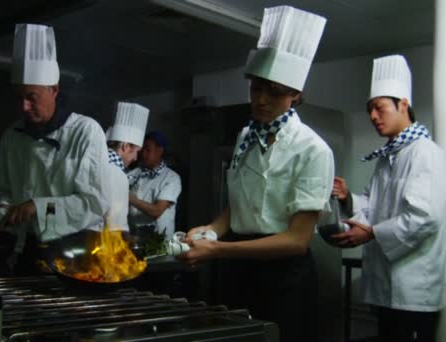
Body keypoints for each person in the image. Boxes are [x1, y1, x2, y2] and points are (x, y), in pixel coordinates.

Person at [179, 6, 333, 342]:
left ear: (296, 95)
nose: (261, 100)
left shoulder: (313, 149)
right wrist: (212, 231)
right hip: (238, 268)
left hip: (284, 278)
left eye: (274, 92)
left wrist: (218, 250)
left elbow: (296, 240)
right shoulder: (245, 136)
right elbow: (238, 206)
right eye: (256, 89)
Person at [332, 55, 446, 342]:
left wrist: (371, 233)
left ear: (403, 105)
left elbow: (425, 217)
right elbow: (372, 204)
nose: (372, 116)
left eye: (379, 108)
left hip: (413, 292)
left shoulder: (425, 153)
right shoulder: (389, 157)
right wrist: (348, 199)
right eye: (370, 109)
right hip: (387, 288)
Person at [0, 23, 110, 268]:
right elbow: (7, 192)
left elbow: (94, 203)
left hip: (76, 251)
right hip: (28, 248)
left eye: (31, 98)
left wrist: (38, 206)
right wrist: (1, 212)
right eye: (19, 98)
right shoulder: (12, 136)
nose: (23, 107)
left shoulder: (85, 131)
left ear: (54, 90)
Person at [104, 102, 149, 231]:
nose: (135, 158)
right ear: (125, 146)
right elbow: (116, 224)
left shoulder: (98, 161)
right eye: (136, 152)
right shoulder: (116, 174)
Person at [127, 131, 182, 237]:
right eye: (143, 150)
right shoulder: (133, 174)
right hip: (133, 238)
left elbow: (157, 211)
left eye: (148, 150)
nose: (143, 154)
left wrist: (132, 199)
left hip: (158, 242)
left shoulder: (171, 178)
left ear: (159, 151)